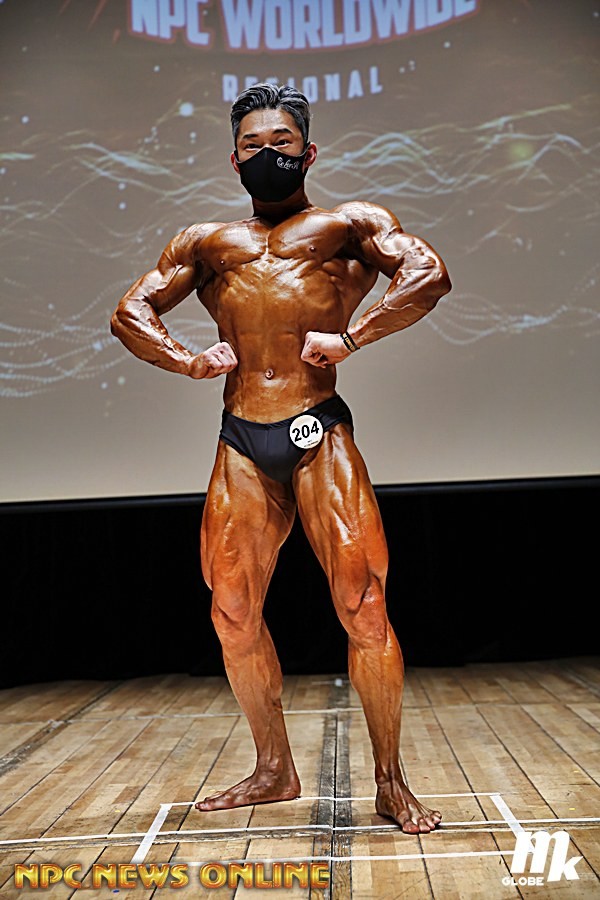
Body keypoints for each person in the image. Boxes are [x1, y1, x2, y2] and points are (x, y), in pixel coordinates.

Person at [110, 83, 451, 834]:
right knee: (231, 612)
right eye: (254, 145)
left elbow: (428, 274)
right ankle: (273, 768)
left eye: (282, 143)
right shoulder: (207, 243)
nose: (269, 154)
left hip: (317, 431)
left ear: (309, 151)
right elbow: (130, 310)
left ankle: (391, 782)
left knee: (364, 606)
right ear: (234, 160)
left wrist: (353, 338)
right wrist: (187, 360)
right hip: (241, 439)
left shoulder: (347, 225)